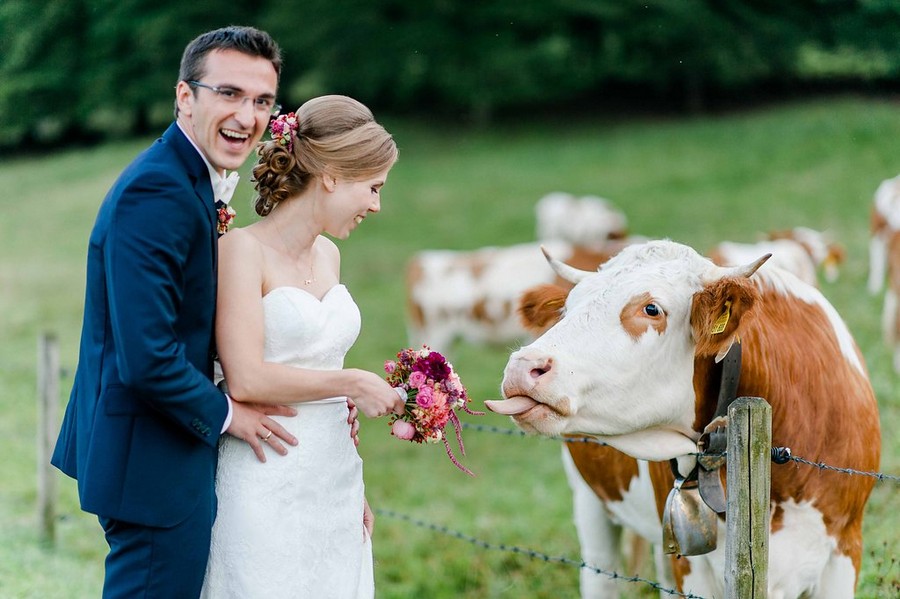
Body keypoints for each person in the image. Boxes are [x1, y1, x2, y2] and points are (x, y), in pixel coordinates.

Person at [51, 26, 314, 598]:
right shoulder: (159, 192)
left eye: (262, 101)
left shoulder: (190, 179)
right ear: (185, 97)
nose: (247, 116)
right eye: (229, 94)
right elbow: (148, 357)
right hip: (150, 461)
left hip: (156, 452)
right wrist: (229, 415)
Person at [200, 95, 403, 598]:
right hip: (264, 471)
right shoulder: (241, 251)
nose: (377, 205)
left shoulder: (329, 255)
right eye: (372, 187)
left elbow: (318, 363)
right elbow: (245, 377)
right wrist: (352, 383)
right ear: (331, 175)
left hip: (333, 475)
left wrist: (355, 485)